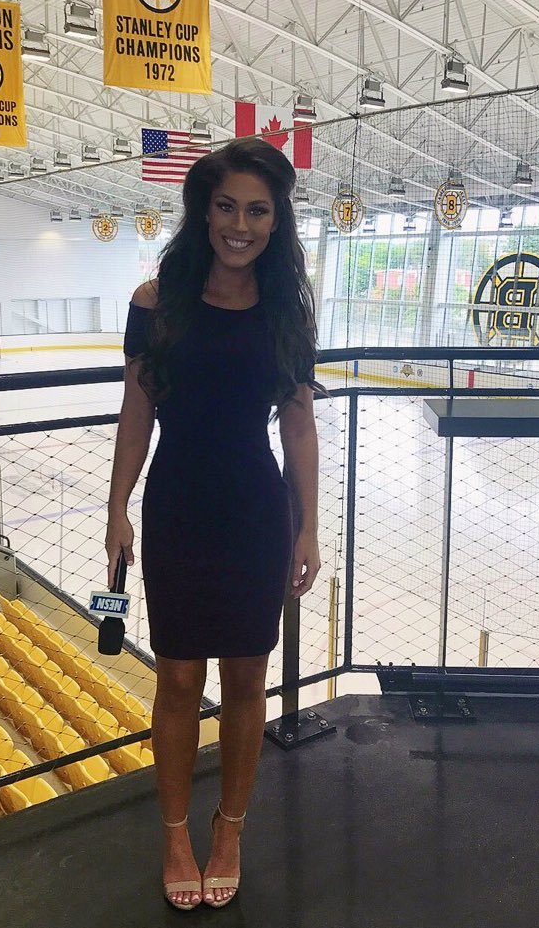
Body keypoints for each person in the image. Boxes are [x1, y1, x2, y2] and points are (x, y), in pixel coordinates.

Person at [105, 136, 330, 911]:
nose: (240, 225)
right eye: (226, 206)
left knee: (245, 678)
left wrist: (307, 526)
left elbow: (298, 424)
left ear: (277, 220)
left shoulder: (285, 310)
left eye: (257, 211)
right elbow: (137, 411)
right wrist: (116, 507)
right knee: (176, 678)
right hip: (177, 507)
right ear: (204, 211)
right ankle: (175, 835)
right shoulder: (156, 302)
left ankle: (228, 829)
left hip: (255, 512)